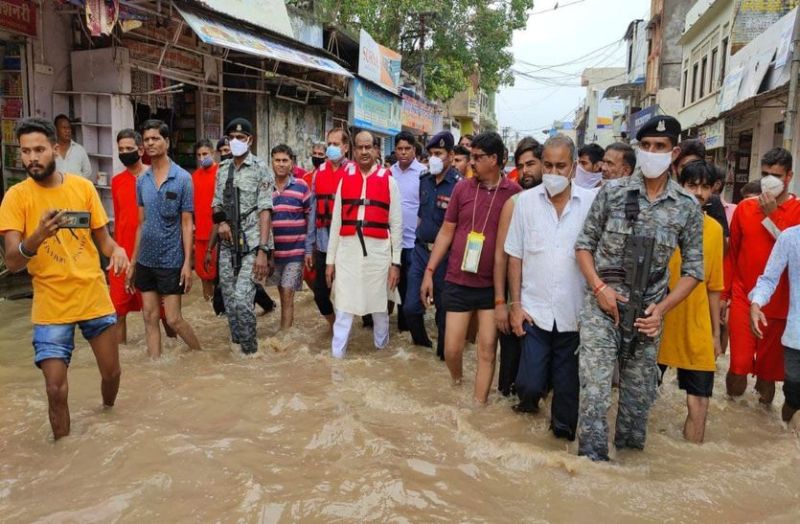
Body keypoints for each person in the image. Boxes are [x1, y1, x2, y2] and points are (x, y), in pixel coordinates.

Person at [575, 115, 703, 461]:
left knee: (637, 403)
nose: (651, 152)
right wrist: (599, 288)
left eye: (659, 146)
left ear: (674, 153)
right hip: (602, 308)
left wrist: (661, 311)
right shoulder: (613, 192)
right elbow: (583, 246)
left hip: (647, 316)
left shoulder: (686, 207)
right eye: (645, 145)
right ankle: (591, 468)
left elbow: (693, 271)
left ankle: (630, 472)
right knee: (595, 393)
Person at [0, 117, 128, 439]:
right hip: (50, 303)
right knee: (55, 389)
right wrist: (37, 236)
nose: (32, 158)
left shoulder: (82, 188)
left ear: (55, 149)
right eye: (25, 151)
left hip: (92, 295)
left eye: (39, 150)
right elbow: (13, 261)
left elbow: (104, 241)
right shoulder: (15, 197)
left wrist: (118, 252)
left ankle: (108, 417)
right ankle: (63, 449)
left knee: (112, 373)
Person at [505, 135, 595, 440]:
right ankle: (527, 422)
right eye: (548, 166)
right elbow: (515, 256)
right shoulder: (526, 203)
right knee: (528, 386)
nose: (553, 173)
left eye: (561, 166)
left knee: (566, 411)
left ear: (573, 167)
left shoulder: (590, 204)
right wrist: (515, 306)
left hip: (574, 317)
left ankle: (558, 446)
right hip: (535, 313)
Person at [421, 132, 522, 403]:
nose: (471, 162)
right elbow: (446, 231)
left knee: (487, 350)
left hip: (492, 286)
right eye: (471, 157)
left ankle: (478, 408)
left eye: (477, 157)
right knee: (452, 349)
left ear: (494, 159)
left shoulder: (514, 194)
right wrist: (429, 272)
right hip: (458, 279)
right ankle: (457, 382)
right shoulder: (462, 189)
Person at [724, 147, 800, 403]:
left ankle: (763, 419)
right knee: (738, 366)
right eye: (765, 174)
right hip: (744, 297)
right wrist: (724, 297)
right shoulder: (745, 208)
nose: (769, 181)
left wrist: (773, 215)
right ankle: (732, 414)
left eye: (776, 176)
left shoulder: (798, 211)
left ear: (789, 176)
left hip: (780, 307)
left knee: (768, 377)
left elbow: (794, 250)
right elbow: (732, 255)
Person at [658, 160, 724, 443]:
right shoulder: (661, 222)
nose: (698, 192)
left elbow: (714, 287)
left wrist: (716, 334)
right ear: (679, 186)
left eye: (705, 186)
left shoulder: (715, 230)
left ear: (712, 190)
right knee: (641, 395)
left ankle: (693, 453)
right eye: (692, 185)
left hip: (696, 325)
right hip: (658, 321)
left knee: (699, 401)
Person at [325, 130, 403, 358]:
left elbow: (396, 226)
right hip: (347, 253)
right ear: (353, 150)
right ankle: (336, 359)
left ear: (376, 150)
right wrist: (330, 262)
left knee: (379, 309)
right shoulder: (345, 180)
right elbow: (336, 224)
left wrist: (395, 263)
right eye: (360, 147)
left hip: (378, 255)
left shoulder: (389, 181)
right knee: (343, 308)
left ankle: (381, 355)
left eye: (368, 147)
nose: (364, 151)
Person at [128, 119, 201, 359]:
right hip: (146, 259)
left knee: (173, 319)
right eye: (146, 139)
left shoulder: (182, 179)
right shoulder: (142, 180)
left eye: (155, 138)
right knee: (149, 317)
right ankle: (155, 367)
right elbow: (141, 223)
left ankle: (201, 356)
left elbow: (187, 223)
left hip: (171, 259)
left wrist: (187, 264)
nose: (150, 143)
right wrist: (133, 262)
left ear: (167, 142)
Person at [210, 118, 274, 354]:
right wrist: (222, 222)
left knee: (242, 300)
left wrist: (263, 251)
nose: (235, 141)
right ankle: (237, 352)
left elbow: (265, 210)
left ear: (250, 140)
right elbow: (216, 204)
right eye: (231, 138)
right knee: (229, 303)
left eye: (240, 137)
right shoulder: (223, 169)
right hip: (228, 244)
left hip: (252, 244)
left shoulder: (260, 168)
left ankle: (250, 352)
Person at [111, 129, 174, 344]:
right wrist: (114, 252)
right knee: (118, 310)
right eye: (121, 149)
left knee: (165, 315)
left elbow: (169, 215)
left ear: (140, 150)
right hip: (123, 255)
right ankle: (122, 357)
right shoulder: (117, 181)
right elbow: (119, 219)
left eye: (129, 148)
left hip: (152, 255)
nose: (124, 153)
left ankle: (176, 351)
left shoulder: (156, 177)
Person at [403, 131, 461, 355]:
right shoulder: (424, 180)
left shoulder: (459, 186)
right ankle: (422, 349)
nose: (434, 158)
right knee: (410, 307)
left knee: (444, 313)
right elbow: (421, 215)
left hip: (446, 257)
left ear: (451, 156)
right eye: (431, 154)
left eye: (439, 153)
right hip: (420, 252)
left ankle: (442, 357)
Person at [495, 136, 543, 397]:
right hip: (516, 299)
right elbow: (501, 257)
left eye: (531, 164)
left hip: (546, 302)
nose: (525, 171)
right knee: (509, 371)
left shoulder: (564, 203)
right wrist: (502, 303)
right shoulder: (513, 205)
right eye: (521, 166)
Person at [750, 224, 800, 423]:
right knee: (794, 401)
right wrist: (756, 303)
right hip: (796, 338)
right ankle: (785, 436)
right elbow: (769, 279)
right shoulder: (790, 237)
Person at [306, 127, 354, 330]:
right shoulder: (319, 173)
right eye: (329, 144)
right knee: (320, 293)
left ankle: (346, 330)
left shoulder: (354, 171)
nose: (332, 148)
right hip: (323, 242)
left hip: (347, 242)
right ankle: (335, 326)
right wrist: (308, 248)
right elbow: (313, 211)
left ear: (346, 147)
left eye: (336, 144)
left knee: (346, 292)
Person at [269, 144, 311, 329]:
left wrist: (308, 250)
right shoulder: (265, 187)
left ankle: (284, 336)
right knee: (281, 293)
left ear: (291, 163)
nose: (281, 164)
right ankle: (285, 331)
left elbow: (310, 218)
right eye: (277, 160)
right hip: (274, 254)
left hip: (296, 252)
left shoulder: (301, 186)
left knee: (287, 293)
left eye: (285, 160)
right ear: (272, 162)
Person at [391, 131, 428, 333]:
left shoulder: (424, 173)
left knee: (415, 288)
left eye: (407, 149)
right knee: (400, 286)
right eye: (400, 149)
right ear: (395, 150)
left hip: (416, 242)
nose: (403, 152)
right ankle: (404, 331)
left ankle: (418, 332)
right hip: (395, 242)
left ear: (414, 150)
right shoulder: (390, 173)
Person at [192, 139, 219, 301]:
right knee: (203, 274)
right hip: (200, 233)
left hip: (217, 234)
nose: (202, 158)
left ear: (213, 153)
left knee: (219, 276)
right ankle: (208, 305)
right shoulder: (194, 176)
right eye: (199, 155)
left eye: (205, 154)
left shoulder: (220, 173)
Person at [53, 114, 93, 182]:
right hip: (56, 188)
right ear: (56, 130)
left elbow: (88, 172)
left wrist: (77, 183)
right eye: (64, 128)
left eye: (69, 128)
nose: (67, 131)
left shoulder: (79, 150)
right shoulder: (51, 150)